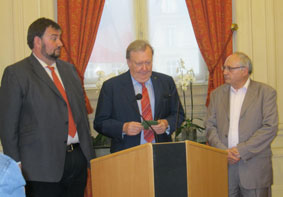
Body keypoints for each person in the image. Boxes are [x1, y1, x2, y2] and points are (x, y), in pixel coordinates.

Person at [0, 18, 94, 197]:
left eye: (60, 38)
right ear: (37, 41)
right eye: (54, 38)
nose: (60, 43)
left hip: (77, 160)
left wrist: (89, 158)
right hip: (40, 167)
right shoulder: (16, 73)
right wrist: (15, 164)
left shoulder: (70, 70)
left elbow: (80, 117)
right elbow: (7, 126)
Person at [205, 52, 278, 197]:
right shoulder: (216, 95)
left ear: (244, 71)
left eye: (230, 68)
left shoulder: (266, 93)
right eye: (224, 68)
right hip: (225, 167)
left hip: (254, 169)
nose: (225, 72)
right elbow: (209, 126)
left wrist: (240, 150)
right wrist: (223, 151)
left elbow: (270, 127)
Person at [93, 40, 185, 153]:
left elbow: (178, 114)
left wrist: (166, 124)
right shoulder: (112, 87)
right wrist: (123, 127)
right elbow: (100, 123)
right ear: (129, 62)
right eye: (139, 64)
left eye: (148, 62)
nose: (145, 68)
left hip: (162, 151)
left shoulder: (166, 82)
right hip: (126, 153)